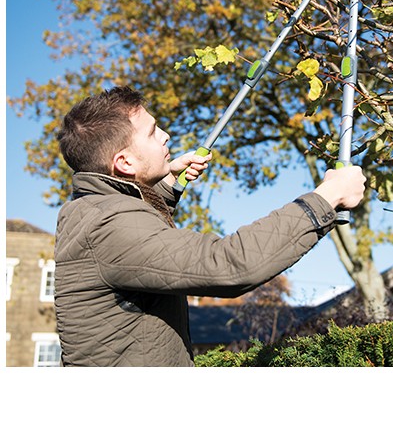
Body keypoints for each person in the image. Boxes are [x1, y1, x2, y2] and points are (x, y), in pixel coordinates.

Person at [53, 85, 367, 367]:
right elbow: (229, 264)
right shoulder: (107, 226)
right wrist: (326, 198)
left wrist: (165, 182)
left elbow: (141, 239)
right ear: (125, 163)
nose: (165, 135)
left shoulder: (95, 211)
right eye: (151, 133)